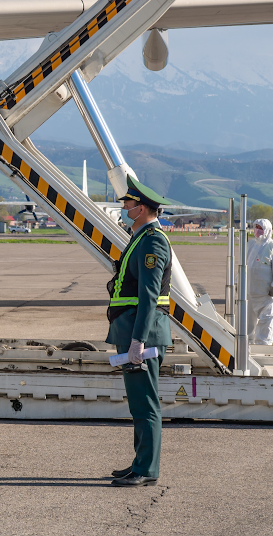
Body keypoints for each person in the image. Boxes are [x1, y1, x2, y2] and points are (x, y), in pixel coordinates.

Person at [106, 175, 173, 488]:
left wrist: (138, 340)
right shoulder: (140, 237)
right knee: (138, 403)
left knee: (146, 404)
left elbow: (148, 295)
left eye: (128, 204)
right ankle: (140, 462)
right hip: (132, 330)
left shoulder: (153, 241)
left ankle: (146, 469)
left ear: (143, 208)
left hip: (142, 334)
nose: (124, 209)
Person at [246, 218, 273, 345]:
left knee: (266, 321)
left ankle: (264, 345)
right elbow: (243, 265)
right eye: (256, 227)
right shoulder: (250, 245)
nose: (257, 230)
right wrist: (238, 281)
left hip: (267, 295)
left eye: (260, 228)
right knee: (248, 324)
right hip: (250, 293)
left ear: (267, 230)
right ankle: (247, 345)